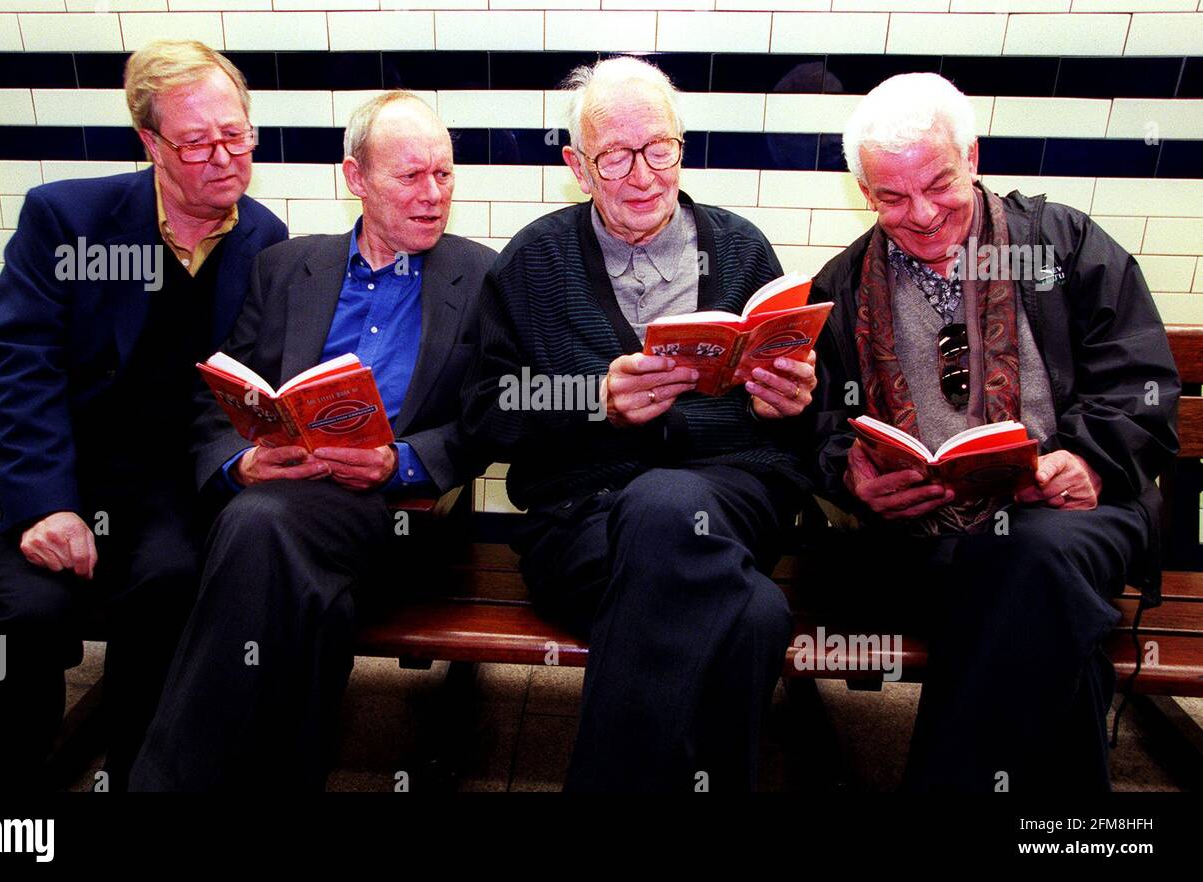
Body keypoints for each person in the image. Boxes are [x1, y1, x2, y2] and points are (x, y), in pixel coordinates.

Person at [0, 40, 287, 790]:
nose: (224, 157)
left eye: (236, 134)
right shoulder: (67, 217)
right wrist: (47, 506)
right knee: (30, 616)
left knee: (172, 590)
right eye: (197, 141)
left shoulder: (263, 238)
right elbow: (18, 370)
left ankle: (140, 773)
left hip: (170, 484)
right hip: (62, 466)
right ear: (150, 143)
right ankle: (3, 805)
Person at [809, 72, 1180, 791]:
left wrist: (1092, 460)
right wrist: (851, 475)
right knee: (1035, 607)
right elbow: (822, 425)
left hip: (1078, 517)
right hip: (929, 540)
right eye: (891, 197)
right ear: (865, 194)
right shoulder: (845, 283)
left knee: (1030, 562)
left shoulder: (1065, 246)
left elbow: (1143, 386)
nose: (919, 214)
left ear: (973, 157)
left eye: (939, 184)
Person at [462, 57, 818, 792]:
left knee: (665, 505)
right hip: (578, 523)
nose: (644, 173)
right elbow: (485, 413)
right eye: (616, 156)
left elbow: (800, 426)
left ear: (681, 146)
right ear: (578, 167)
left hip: (732, 497)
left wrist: (788, 400)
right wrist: (594, 399)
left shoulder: (743, 248)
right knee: (750, 617)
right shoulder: (533, 261)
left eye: (659, 148)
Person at [130, 91, 495, 791]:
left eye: (444, 175)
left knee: (259, 529)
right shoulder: (286, 268)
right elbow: (220, 399)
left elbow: (492, 418)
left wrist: (402, 460)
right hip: (281, 504)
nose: (433, 196)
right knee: (302, 587)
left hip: (397, 514)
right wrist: (245, 461)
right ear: (355, 178)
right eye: (410, 176)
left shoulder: (481, 278)